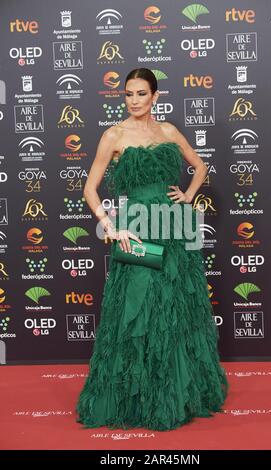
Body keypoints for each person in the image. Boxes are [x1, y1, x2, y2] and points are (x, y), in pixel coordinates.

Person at [76, 67, 228, 431]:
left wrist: (187, 196)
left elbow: (200, 166)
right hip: (138, 229)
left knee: (174, 310)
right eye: (128, 94)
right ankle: (136, 395)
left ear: (155, 96)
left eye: (141, 93)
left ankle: (177, 392)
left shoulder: (169, 131)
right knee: (138, 311)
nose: (134, 100)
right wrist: (111, 227)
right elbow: (89, 190)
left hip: (173, 227)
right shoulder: (114, 135)